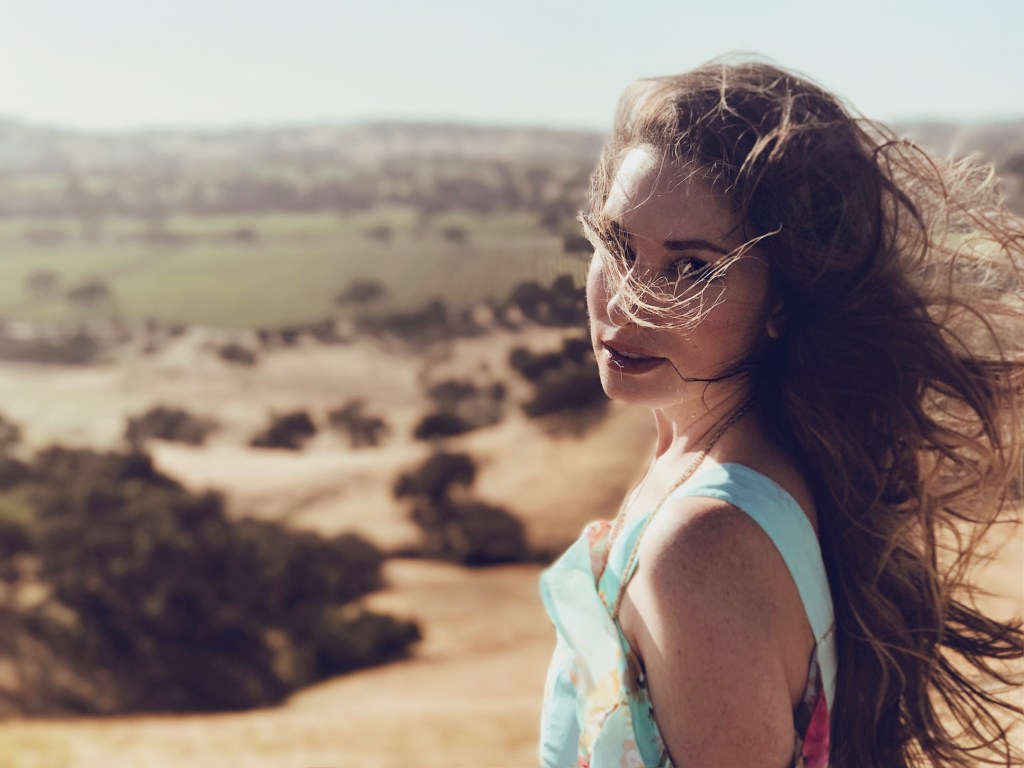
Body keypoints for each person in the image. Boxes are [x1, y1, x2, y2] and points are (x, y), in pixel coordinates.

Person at [539, 58, 1023, 768]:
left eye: (690, 268)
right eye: (617, 245)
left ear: (784, 301)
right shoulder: (730, 461)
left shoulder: (701, 545)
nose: (625, 302)